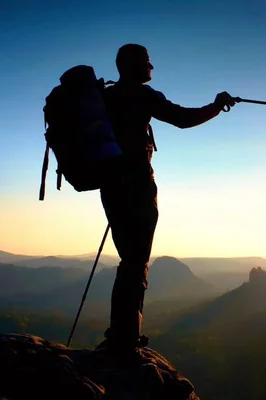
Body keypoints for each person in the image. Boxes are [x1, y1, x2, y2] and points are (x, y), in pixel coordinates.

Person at [97, 43, 237, 360]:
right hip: (138, 186)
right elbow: (182, 119)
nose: (152, 67)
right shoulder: (142, 95)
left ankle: (120, 334)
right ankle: (125, 340)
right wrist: (217, 106)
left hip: (111, 187)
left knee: (128, 261)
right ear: (132, 65)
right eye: (147, 62)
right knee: (136, 263)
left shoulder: (105, 97)